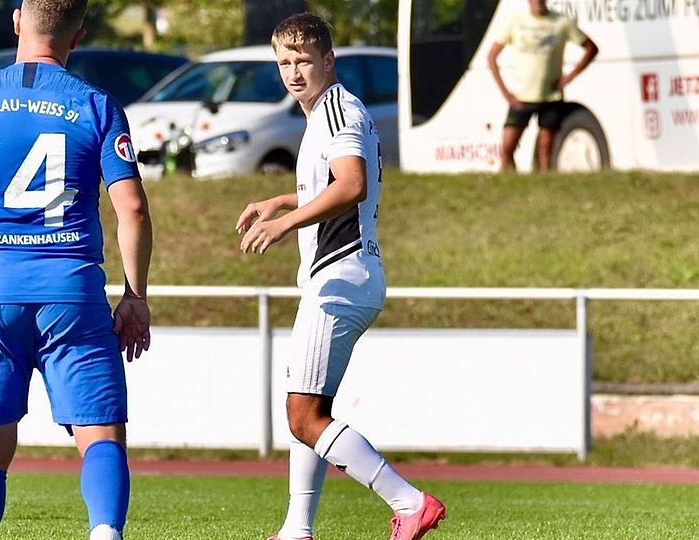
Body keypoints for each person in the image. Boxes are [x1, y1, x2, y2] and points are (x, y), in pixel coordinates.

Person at [0, 1, 153, 539]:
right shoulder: (96, 104)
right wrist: (135, 296)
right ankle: (104, 533)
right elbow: (132, 208)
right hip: (72, 294)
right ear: (80, 34)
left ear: (18, 21)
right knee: (100, 436)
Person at [236, 13, 445, 540]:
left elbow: (350, 185)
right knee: (309, 407)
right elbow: (337, 185)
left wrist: (286, 222)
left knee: (302, 415)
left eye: (304, 59)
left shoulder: (335, 109)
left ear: (328, 60)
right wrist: (280, 200)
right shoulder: (328, 112)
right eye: (284, 61)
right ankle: (295, 528)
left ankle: (409, 502)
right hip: (350, 272)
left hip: (339, 274)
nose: (293, 71)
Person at [487, 0, 599, 172]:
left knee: (545, 147)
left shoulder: (561, 23)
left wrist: (569, 77)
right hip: (521, 96)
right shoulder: (516, 22)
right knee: (508, 146)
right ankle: (509, 178)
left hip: (550, 96)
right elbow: (492, 56)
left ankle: (545, 181)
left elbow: (591, 48)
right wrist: (506, 94)